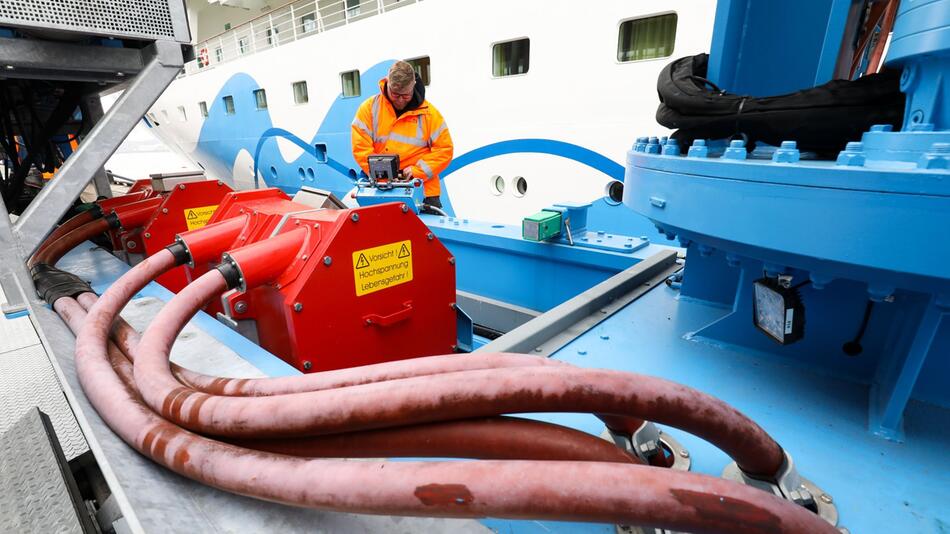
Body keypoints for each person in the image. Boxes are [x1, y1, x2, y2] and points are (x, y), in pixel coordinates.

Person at [351, 61, 453, 210]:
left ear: (413, 86)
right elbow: (360, 148)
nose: (400, 100)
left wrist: (417, 172)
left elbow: (445, 150)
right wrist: (383, 175)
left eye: (405, 95)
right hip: (380, 191)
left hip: (422, 192)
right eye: (395, 94)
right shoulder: (368, 109)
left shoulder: (430, 114)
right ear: (388, 84)